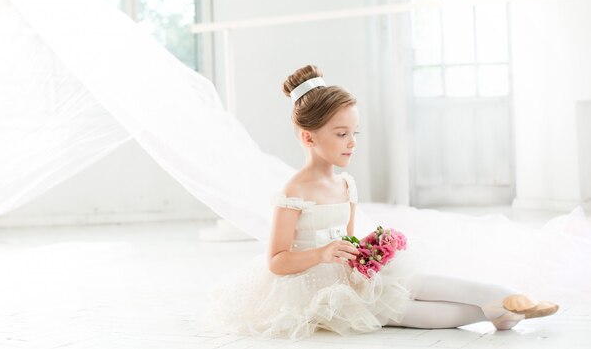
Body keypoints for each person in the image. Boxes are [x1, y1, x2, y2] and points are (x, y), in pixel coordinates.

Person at [206, 65, 558, 340]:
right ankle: (495, 311)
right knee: (401, 310)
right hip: (316, 285)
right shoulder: (294, 191)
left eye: (354, 133)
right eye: (341, 134)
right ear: (308, 137)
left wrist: (368, 250)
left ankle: (508, 296)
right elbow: (277, 261)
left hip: (351, 272)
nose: (351, 143)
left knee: (418, 281)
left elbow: (348, 238)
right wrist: (324, 253)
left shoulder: (346, 184)